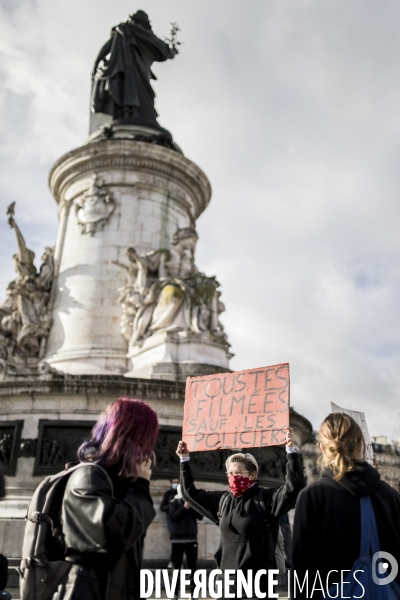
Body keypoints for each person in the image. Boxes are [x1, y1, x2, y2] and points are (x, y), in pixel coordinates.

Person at [176, 427, 306, 596]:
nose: (233, 477)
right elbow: (189, 494)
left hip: (258, 586)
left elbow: (295, 489)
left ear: (252, 475)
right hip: (227, 585)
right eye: (230, 473)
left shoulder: (266, 499)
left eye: (238, 472)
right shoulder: (222, 501)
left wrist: (291, 452)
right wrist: (184, 460)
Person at [53, 396, 159, 600]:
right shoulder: (88, 476)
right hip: (89, 592)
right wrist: (140, 487)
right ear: (127, 435)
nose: (148, 449)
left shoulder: (121, 483)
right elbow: (115, 536)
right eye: (145, 438)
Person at [292, 412, 400, 598]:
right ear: (362, 444)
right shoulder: (390, 496)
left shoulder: (312, 496)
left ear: (323, 448)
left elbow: (303, 574)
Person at [169, 484, 203, 596]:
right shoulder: (174, 502)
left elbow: (200, 516)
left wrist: (191, 506)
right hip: (177, 540)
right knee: (176, 568)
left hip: (191, 540)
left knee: (193, 567)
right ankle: (174, 593)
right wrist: (184, 508)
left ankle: (194, 593)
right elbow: (173, 517)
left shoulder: (194, 503)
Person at [160, 477, 180, 567]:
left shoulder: (182, 493)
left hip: (181, 519)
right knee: (174, 540)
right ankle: (173, 560)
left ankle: (175, 561)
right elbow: (162, 507)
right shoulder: (168, 494)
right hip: (171, 519)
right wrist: (172, 504)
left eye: (177, 482)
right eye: (173, 482)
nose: (175, 484)